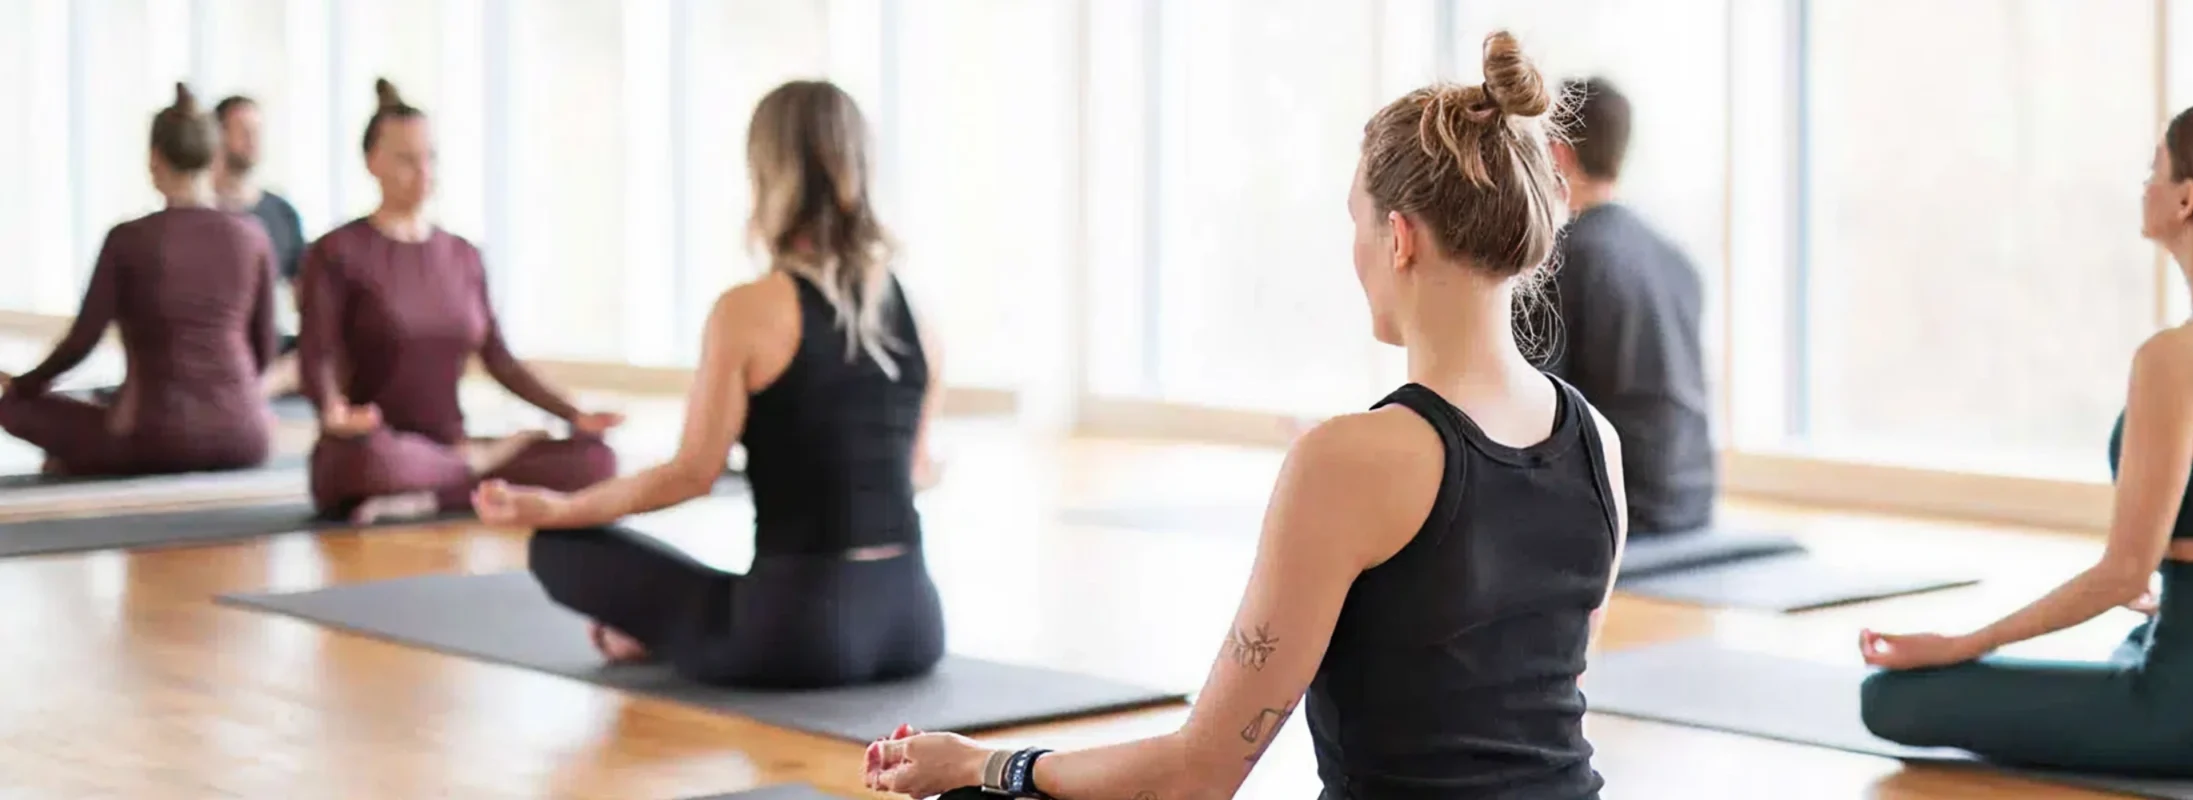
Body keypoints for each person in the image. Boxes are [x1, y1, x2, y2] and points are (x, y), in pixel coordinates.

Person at [864, 32, 1629, 800]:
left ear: (1399, 238)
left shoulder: (1347, 460)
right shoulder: (1598, 443)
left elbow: (1198, 775)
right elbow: (1540, 699)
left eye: (1356, 222)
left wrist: (987, 766)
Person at [1857, 103, 2193, 778]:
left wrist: (1963, 644)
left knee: (1890, 698)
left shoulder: (2179, 355)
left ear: (2186, 199)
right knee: (2143, 635)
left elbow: (2123, 574)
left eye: (2154, 171)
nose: (2144, 186)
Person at [471, 80, 949, 688]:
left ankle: (657, 632)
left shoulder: (747, 310)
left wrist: (560, 508)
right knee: (725, 591)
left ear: (767, 174)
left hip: (800, 634)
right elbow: (916, 473)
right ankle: (669, 630)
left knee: (559, 547)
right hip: (914, 624)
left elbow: (692, 474)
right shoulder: (917, 314)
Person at [297, 79, 618, 522]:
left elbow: (501, 360)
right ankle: (465, 476)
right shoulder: (336, 252)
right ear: (373, 163)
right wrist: (333, 411)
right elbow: (317, 354)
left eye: (430, 158)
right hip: (375, 446)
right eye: (407, 160)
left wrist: (574, 413)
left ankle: (433, 495)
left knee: (597, 460)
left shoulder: (464, 255)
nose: (423, 172)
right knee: (369, 463)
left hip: (451, 445)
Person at [0, 84, 276, 476]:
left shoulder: (128, 239)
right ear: (215, 157)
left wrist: (23, 386)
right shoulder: (253, 235)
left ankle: (80, 461)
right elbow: (263, 349)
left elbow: (82, 342)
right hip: (244, 437)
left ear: (154, 159)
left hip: (154, 437)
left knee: (15, 409)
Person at [1533, 76, 1718, 535]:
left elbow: (1535, 406)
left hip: (1621, 507)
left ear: (1558, 155)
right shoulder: (1676, 257)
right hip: (1692, 502)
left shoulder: (1561, 258)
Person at [211, 94, 309, 394]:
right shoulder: (199, 213)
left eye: (257, 131)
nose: (253, 139)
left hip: (269, 351)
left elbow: (305, 293)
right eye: (243, 130)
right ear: (218, 136)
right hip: (215, 348)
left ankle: (255, 390)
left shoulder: (281, 212)